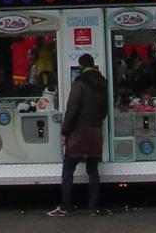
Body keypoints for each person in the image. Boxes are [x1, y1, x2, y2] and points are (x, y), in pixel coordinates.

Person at [48, 54, 107, 216]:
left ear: (81, 65)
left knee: (68, 169)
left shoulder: (79, 83)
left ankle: (65, 207)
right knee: (93, 170)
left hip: (79, 133)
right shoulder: (103, 82)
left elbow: (72, 109)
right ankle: (93, 208)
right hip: (95, 132)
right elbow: (105, 109)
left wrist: (65, 132)